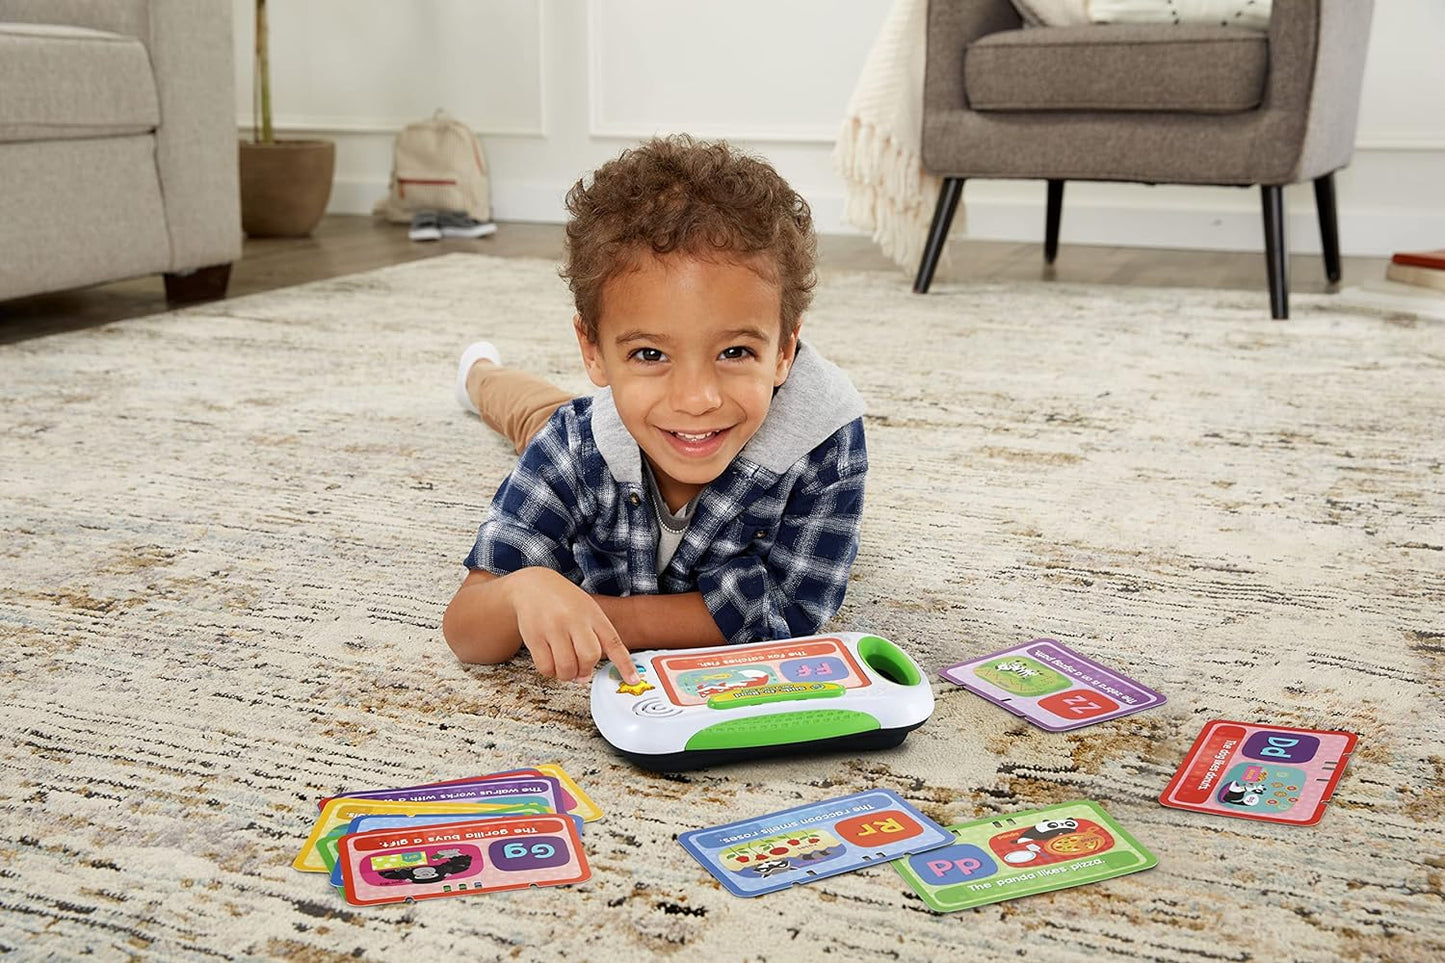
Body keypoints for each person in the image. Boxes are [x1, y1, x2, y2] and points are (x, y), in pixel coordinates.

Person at [441, 135, 868, 686]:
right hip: (602, 428)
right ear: (592, 350)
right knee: (532, 417)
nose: (697, 399)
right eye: (650, 353)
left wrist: (595, 618)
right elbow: (467, 630)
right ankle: (478, 375)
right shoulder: (575, 446)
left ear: (785, 350)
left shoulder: (824, 438)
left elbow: (790, 614)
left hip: (648, 422)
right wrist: (523, 589)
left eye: (735, 352)